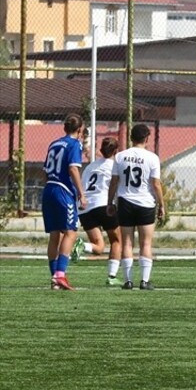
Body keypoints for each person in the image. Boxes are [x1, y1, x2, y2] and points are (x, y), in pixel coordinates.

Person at [108, 123, 166, 290]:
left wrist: (110, 202)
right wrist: (161, 204)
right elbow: (156, 184)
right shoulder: (152, 158)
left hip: (125, 201)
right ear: (146, 138)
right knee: (146, 243)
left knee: (126, 242)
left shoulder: (120, 156)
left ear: (131, 137)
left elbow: (114, 181)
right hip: (145, 203)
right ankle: (144, 281)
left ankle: (128, 281)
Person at [41, 113, 87, 290]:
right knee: (71, 231)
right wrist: (81, 194)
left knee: (55, 234)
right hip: (63, 191)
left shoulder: (54, 144)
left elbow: (46, 170)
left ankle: (54, 277)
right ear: (80, 129)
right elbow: (73, 169)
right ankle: (60, 275)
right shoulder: (75, 144)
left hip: (49, 189)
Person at [79, 136, 124, 285]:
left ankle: (82, 246)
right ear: (116, 151)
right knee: (116, 240)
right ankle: (111, 277)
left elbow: (82, 186)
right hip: (103, 204)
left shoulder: (90, 167)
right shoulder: (115, 166)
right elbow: (117, 184)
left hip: (85, 209)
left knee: (98, 247)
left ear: (100, 150)